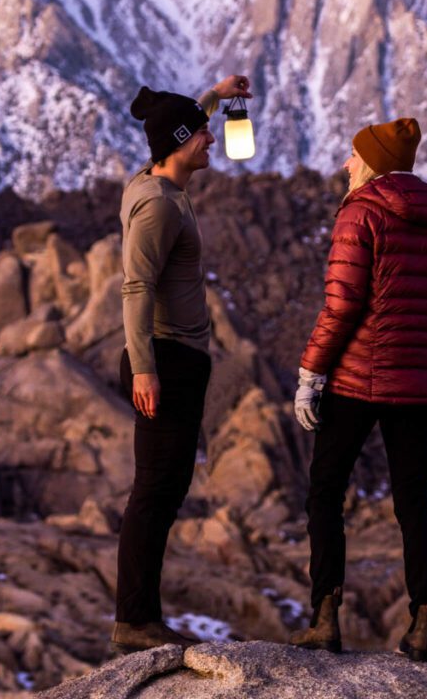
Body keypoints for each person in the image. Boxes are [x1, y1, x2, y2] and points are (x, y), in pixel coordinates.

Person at [289, 117, 427, 662]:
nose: (346, 164)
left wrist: (312, 373)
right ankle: (424, 619)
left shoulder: (360, 212)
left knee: (325, 493)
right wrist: (423, 365)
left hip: (358, 377)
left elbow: (341, 306)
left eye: (354, 156)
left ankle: (324, 616)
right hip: (417, 383)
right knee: (413, 500)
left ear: (374, 164)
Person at [111, 74, 252, 655]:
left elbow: (177, 120)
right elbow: (136, 286)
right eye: (202, 135)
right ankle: (135, 620)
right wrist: (145, 369)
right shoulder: (158, 209)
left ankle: (142, 615)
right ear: (177, 144)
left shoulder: (150, 178)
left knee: (165, 491)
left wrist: (214, 97)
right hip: (164, 360)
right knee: (155, 493)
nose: (212, 140)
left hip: (176, 359)